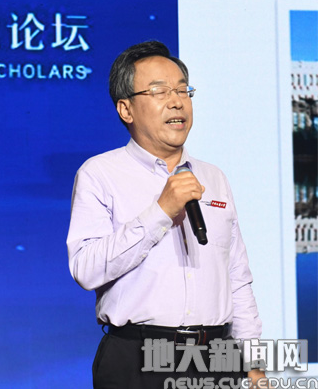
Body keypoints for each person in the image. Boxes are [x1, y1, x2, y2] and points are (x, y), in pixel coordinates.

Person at [67, 41, 265, 388]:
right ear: (126, 109)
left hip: (216, 357)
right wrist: (160, 212)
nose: (177, 102)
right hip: (137, 359)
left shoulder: (214, 177)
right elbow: (86, 269)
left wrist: (253, 364)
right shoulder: (99, 174)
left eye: (183, 90)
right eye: (159, 91)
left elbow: (237, 276)